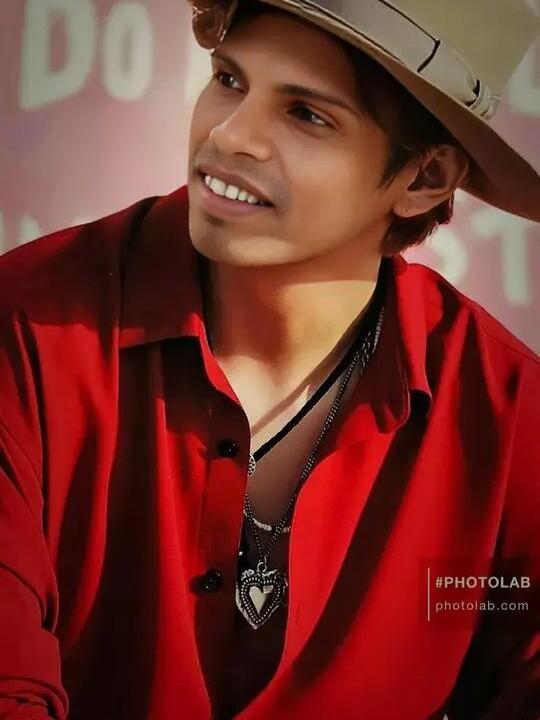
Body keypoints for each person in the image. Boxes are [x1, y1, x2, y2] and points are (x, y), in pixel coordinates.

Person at [0, 0, 539, 718]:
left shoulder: (508, 412)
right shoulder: (27, 329)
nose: (229, 135)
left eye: (307, 115)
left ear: (425, 179)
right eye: (229, 80)